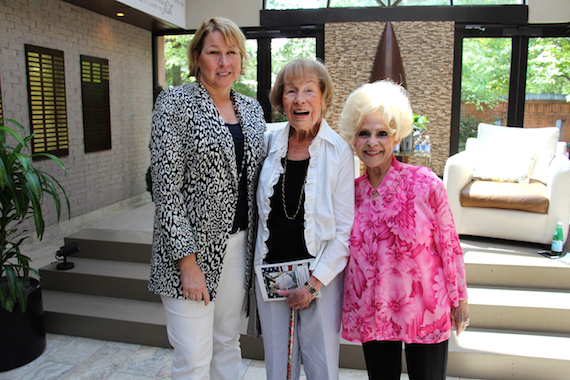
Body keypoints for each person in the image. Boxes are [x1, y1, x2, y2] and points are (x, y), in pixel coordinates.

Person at [148, 17, 265, 380]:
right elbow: (166, 191)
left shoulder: (253, 109)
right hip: (190, 254)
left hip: (239, 246)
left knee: (227, 344)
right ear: (197, 56)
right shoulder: (174, 104)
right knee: (194, 358)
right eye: (214, 52)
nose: (224, 62)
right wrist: (188, 264)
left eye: (232, 53)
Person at [338, 80, 470, 380]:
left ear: (396, 136)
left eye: (382, 133)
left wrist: (459, 299)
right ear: (353, 138)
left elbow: (449, 245)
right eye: (364, 133)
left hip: (425, 310)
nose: (372, 142)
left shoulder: (425, 184)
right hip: (374, 313)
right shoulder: (347, 193)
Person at [254, 59, 355, 380]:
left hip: (319, 277)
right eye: (291, 91)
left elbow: (344, 230)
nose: (300, 99)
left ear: (323, 98)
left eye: (309, 90)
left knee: (321, 366)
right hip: (272, 275)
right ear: (280, 99)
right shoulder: (269, 144)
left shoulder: (338, 150)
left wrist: (313, 285)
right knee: (277, 369)